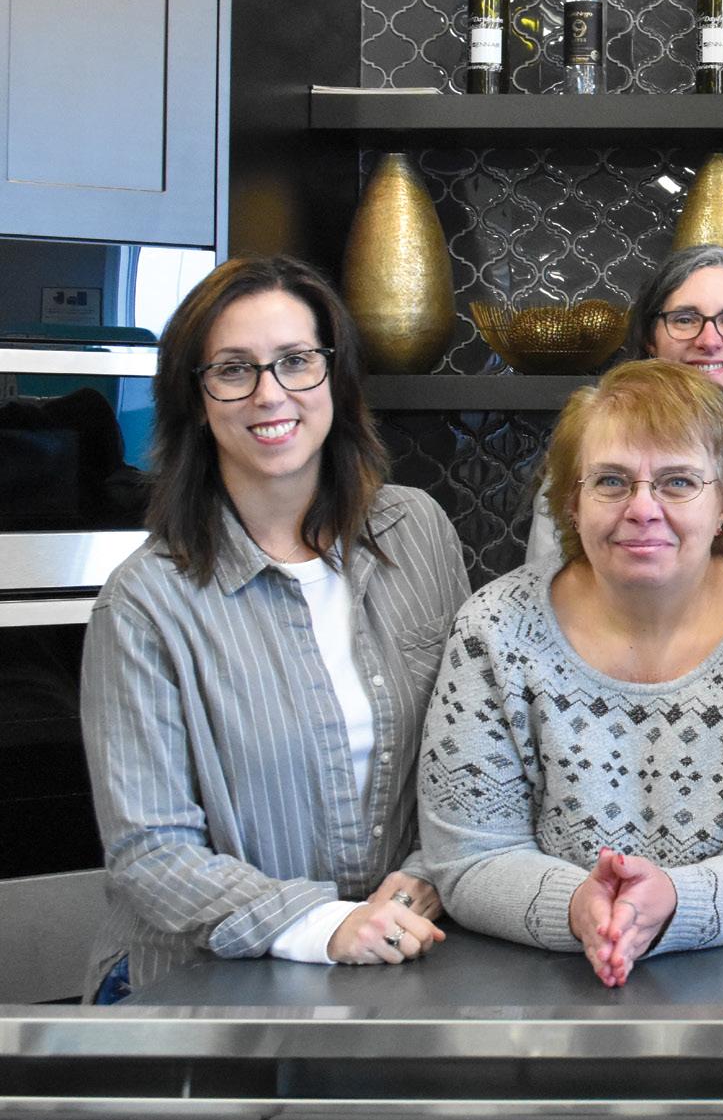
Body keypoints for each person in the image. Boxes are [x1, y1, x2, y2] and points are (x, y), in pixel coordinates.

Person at [80, 256, 470, 1000]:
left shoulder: (417, 530)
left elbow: (473, 752)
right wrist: (325, 923)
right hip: (193, 983)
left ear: (335, 377)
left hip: (398, 958)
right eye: (234, 369)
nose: (270, 393)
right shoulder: (144, 602)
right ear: (195, 398)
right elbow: (151, 853)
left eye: (296, 360)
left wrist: (428, 870)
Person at [418, 360, 723, 987]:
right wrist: (578, 906)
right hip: (534, 986)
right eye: (612, 481)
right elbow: (470, 857)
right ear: (571, 502)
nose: (643, 509)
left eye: (678, 482)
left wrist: (673, 900)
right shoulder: (494, 629)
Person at [522, 244, 723, 566]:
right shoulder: (594, 440)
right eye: (685, 319)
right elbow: (548, 578)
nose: (709, 340)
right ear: (650, 338)